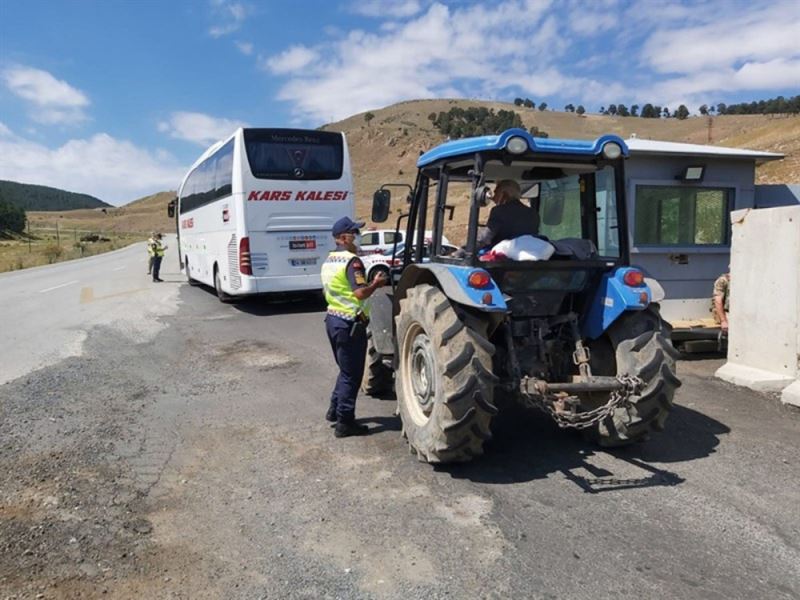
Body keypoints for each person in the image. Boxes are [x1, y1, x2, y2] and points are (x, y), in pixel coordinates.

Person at [321, 216, 388, 438]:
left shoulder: (329, 260)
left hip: (333, 320)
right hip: (350, 323)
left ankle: (334, 410)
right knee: (352, 375)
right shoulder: (352, 262)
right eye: (354, 233)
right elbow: (359, 293)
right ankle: (345, 422)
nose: (357, 237)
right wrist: (376, 284)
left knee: (345, 370)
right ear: (343, 238)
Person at [476, 179, 540, 250]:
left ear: (504, 194)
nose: (493, 198)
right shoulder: (533, 213)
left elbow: (485, 238)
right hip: (530, 254)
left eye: (496, 193)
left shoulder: (499, 211)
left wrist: (468, 249)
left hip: (505, 254)